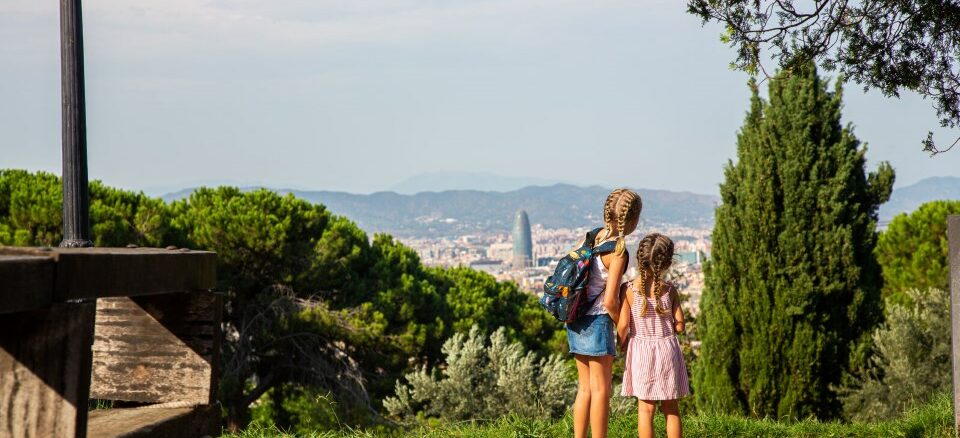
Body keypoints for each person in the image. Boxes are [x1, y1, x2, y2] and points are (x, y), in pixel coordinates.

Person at [568, 188, 642, 438]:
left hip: (575, 318)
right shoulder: (618, 250)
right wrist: (624, 328)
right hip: (597, 321)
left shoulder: (590, 236)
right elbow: (610, 301)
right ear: (632, 220)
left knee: (585, 389)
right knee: (601, 390)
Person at [618, 233, 690, 438]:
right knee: (671, 409)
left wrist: (620, 344)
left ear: (639, 260)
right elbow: (680, 326)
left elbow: (623, 325)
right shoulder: (669, 291)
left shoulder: (629, 289)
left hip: (641, 352)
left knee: (645, 410)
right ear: (666, 263)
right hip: (668, 350)